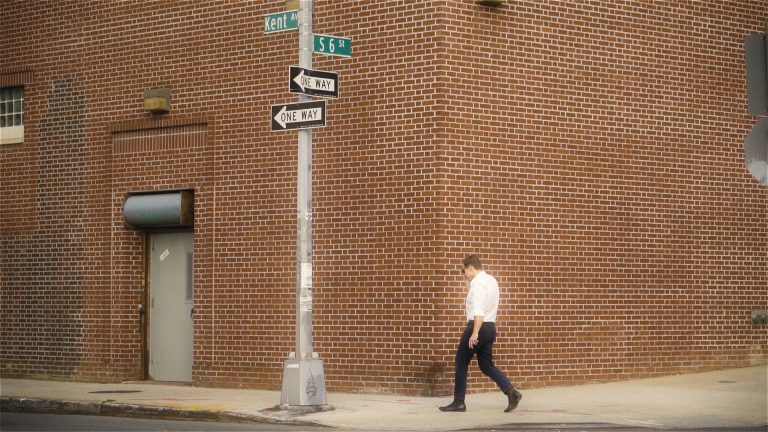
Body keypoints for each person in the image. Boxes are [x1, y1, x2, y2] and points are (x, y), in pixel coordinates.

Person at [439, 255, 522, 413]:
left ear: (470, 268)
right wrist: (468, 282)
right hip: (490, 327)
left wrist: (475, 332)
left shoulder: (478, 284)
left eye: (464, 270)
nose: (464, 274)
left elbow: (478, 310)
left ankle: (459, 402)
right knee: (486, 365)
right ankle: (511, 393)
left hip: (478, 326)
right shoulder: (491, 280)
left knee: (461, 363)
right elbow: (478, 300)